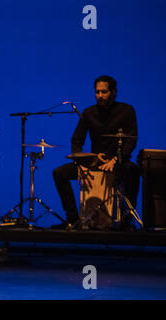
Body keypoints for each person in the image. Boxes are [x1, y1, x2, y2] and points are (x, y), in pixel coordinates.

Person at [52, 75, 140, 229]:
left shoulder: (126, 111)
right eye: (97, 92)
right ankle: (73, 218)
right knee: (59, 173)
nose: (100, 96)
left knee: (133, 171)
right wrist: (80, 163)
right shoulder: (89, 113)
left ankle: (127, 219)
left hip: (117, 161)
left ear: (113, 92)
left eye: (104, 92)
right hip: (95, 162)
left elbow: (131, 140)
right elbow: (76, 141)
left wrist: (114, 160)